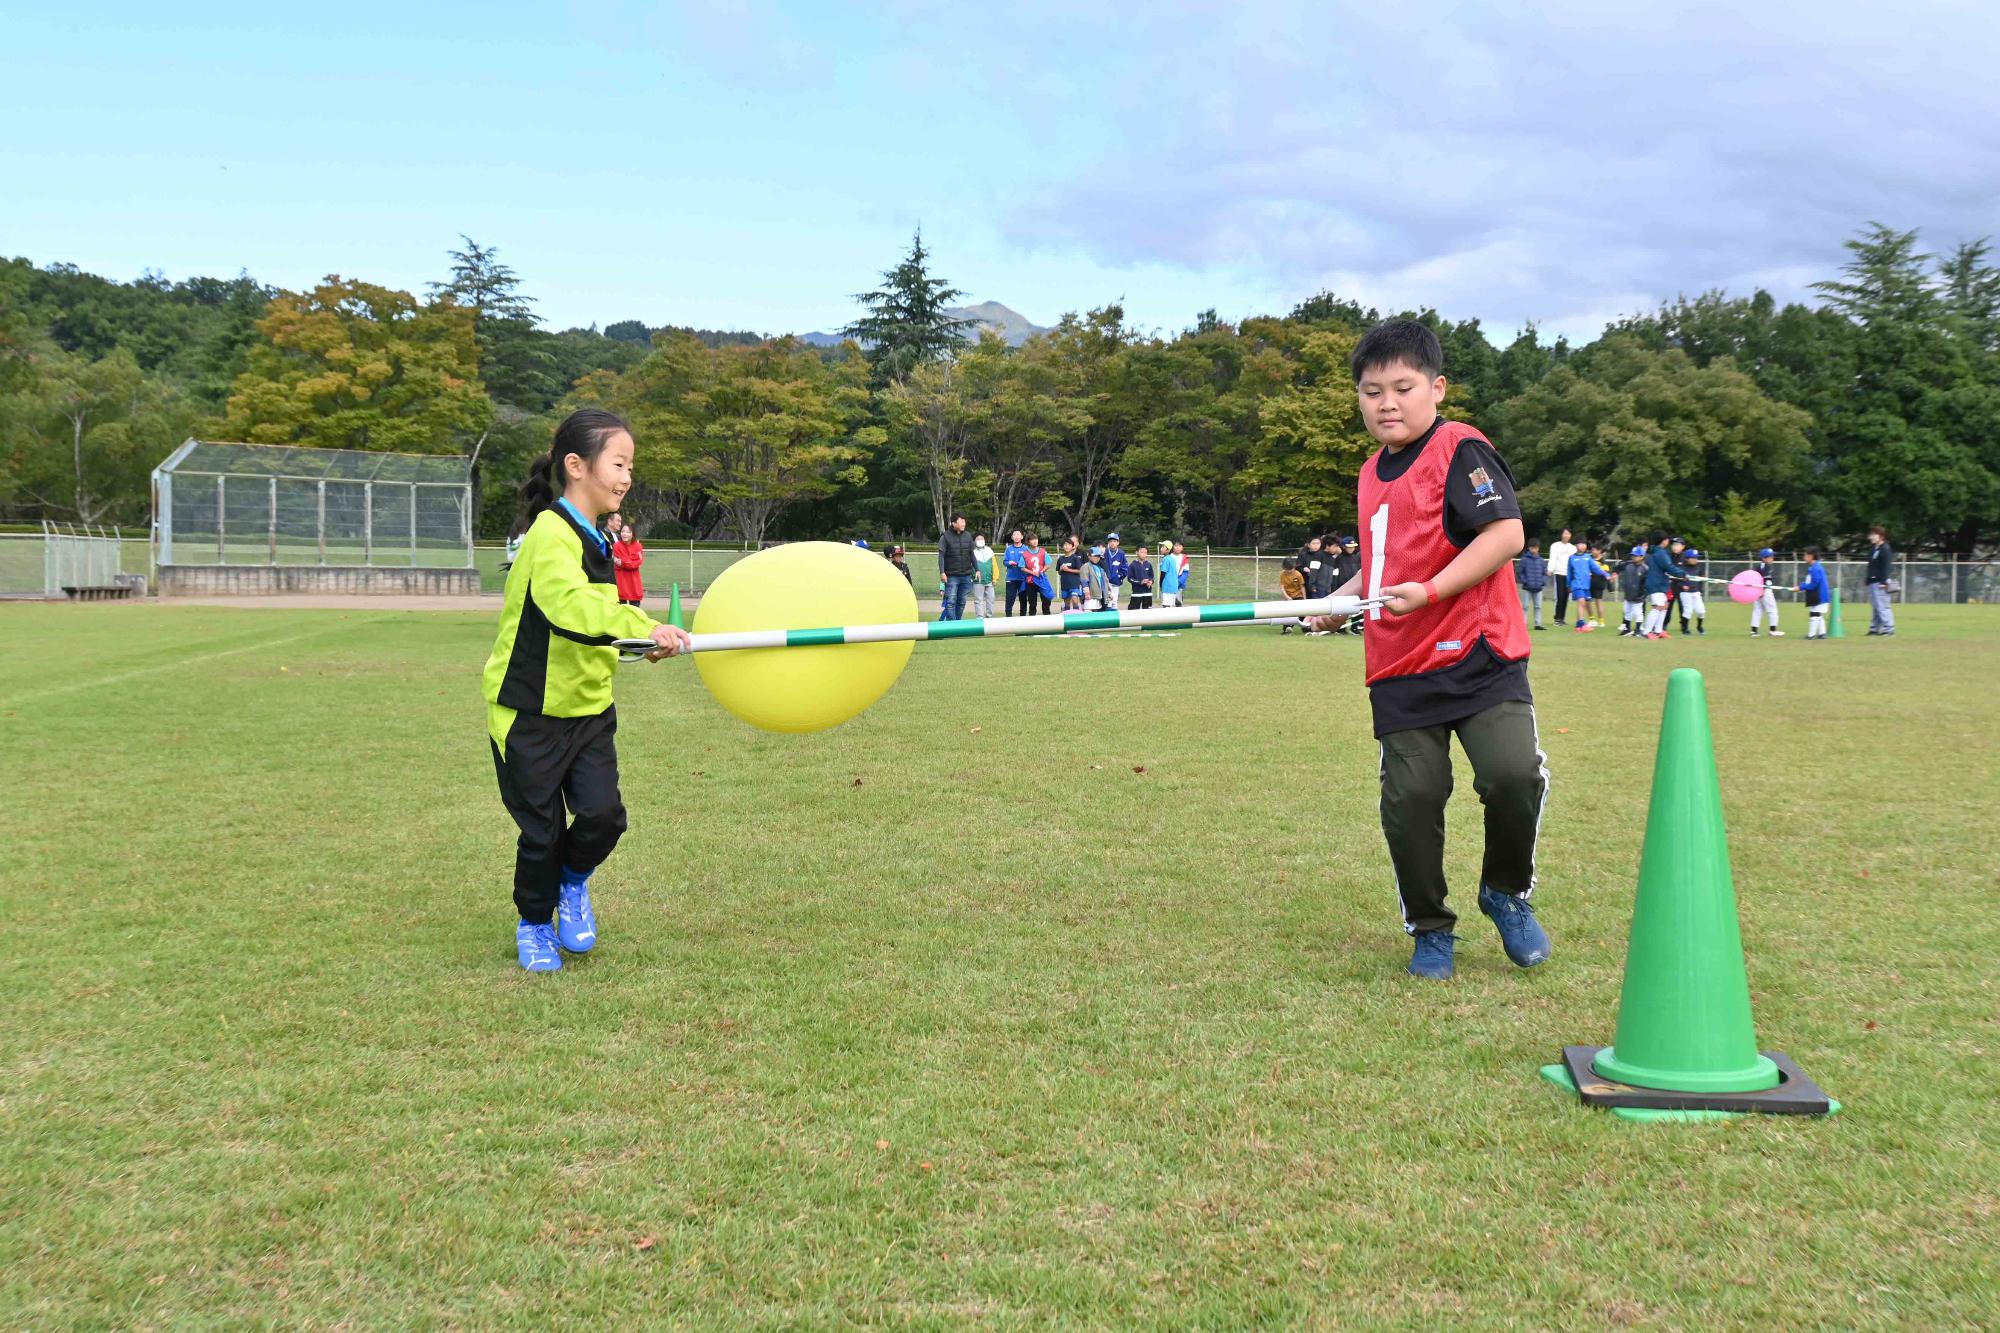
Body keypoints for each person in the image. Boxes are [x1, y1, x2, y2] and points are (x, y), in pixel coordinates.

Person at [1306, 319, 1549, 982]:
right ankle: (1430, 926)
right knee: (1413, 796)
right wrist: (1341, 603)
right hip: (1400, 666)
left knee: (1512, 774)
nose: (1386, 402)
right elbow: (1382, 569)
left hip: (1479, 652)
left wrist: (1435, 589)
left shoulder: (1459, 448)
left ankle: (1505, 891)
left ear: (1436, 388)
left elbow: (1505, 534)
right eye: (1371, 390)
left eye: (1403, 387)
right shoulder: (1367, 475)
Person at [482, 408, 691, 974]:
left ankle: (573, 884)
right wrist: (641, 628)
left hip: (590, 709)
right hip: (530, 714)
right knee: (542, 833)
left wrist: (643, 637)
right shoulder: (550, 533)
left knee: (603, 818)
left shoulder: (595, 534)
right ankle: (533, 922)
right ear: (576, 466)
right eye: (618, 464)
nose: (627, 477)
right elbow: (566, 609)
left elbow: (602, 612)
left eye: (631, 466)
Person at [1641, 533, 1680, 639]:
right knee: (1658, 606)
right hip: (1656, 583)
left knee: (1664, 606)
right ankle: (1646, 632)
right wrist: (1682, 574)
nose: (1668, 542)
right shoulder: (1660, 553)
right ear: (1663, 541)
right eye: (1667, 540)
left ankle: (1658, 631)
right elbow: (1669, 566)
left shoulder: (1658, 552)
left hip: (1661, 582)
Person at [937, 515, 976, 621]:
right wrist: (942, 572)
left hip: (966, 575)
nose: (963, 524)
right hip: (951, 575)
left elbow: (972, 554)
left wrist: (977, 569)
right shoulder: (945, 537)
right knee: (951, 600)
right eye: (961, 521)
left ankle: (957, 622)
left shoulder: (968, 536)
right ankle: (951, 623)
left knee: (962, 601)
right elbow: (941, 556)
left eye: (964, 521)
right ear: (954, 523)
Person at [1566, 539, 1606, 632]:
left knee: (1583, 604)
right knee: (1582, 602)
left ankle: (1578, 626)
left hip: (1586, 586)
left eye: (1584, 544)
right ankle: (1581, 625)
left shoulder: (1588, 557)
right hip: (1577, 584)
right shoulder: (1572, 558)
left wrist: (1606, 575)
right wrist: (1568, 585)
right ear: (1576, 545)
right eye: (1581, 543)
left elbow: (1596, 568)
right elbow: (1569, 573)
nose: (1583, 546)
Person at [1866, 526, 1896, 636]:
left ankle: (1889, 629)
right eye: (1871, 534)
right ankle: (1874, 629)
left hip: (1881, 582)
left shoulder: (1885, 549)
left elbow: (1886, 567)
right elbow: (1871, 565)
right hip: (1873, 581)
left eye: (1874, 534)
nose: (1872, 537)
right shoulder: (1874, 548)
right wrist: (1868, 579)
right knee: (1875, 607)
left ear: (1881, 536)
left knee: (1883, 606)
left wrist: (1884, 582)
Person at [609, 516, 645, 607]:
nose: (625, 534)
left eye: (628, 532)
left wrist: (623, 561)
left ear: (632, 534)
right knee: (621, 612)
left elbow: (637, 564)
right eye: (623, 531)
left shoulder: (638, 546)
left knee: (635, 612)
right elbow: (618, 563)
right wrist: (632, 558)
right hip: (621, 583)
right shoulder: (616, 546)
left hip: (634, 583)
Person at [1749, 546, 1784, 637]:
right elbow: (1766, 580)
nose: (1772, 558)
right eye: (1770, 556)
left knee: (1757, 610)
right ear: (1764, 558)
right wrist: (1763, 591)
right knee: (1772, 610)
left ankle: (1754, 631)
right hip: (1765, 591)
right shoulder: (1767, 566)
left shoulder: (1757, 567)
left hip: (1757, 591)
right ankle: (1773, 630)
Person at [1515, 537, 1548, 630]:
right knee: (1525, 606)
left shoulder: (1541, 560)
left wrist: (1542, 582)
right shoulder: (1524, 560)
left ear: (1538, 548)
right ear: (1529, 548)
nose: (1534, 549)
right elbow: (1519, 572)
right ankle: (1523, 624)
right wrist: (1525, 581)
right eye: (1532, 547)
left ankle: (1538, 624)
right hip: (1527, 588)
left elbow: (1544, 573)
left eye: (1536, 548)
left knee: (1538, 606)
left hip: (1538, 588)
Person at [1798, 549, 1832, 639]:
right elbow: (1810, 582)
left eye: (1805, 555)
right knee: (1818, 614)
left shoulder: (1816, 568)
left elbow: (1814, 584)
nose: (1804, 557)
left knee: (1814, 614)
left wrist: (1801, 587)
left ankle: (1811, 635)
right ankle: (1822, 634)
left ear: (1811, 556)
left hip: (1820, 596)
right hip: (1817, 595)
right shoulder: (1814, 567)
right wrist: (1801, 586)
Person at [1547, 527, 1577, 626]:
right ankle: (1557, 618)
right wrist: (1550, 569)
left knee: (1566, 596)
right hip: (1559, 573)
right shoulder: (1555, 546)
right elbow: (1553, 558)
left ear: (1570, 535)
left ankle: (1562, 618)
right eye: (1564, 533)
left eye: (1568, 534)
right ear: (1561, 535)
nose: (1566, 535)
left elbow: (1574, 562)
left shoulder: (1573, 548)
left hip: (1568, 574)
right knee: (1560, 596)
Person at [1618, 545, 1648, 637]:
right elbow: (1618, 567)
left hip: (1638, 596)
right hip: (1628, 594)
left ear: (1642, 557)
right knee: (1626, 611)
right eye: (1633, 555)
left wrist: (1642, 595)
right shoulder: (1628, 565)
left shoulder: (1645, 568)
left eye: (1636, 556)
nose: (1633, 557)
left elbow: (1646, 584)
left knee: (1637, 612)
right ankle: (1626, 629)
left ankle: (1638, 629)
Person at [1678, 547, 1708, 635]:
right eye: (1693, 558)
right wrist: (1682, 585)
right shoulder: (1681, 568)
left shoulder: (1698, 568)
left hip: (1696, 592)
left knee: (1701, 611)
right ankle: (1685, 629)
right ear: (1687, 559)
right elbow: (1676, 580)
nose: (1696, 559)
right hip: (1685, 593)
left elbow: (1701, 581)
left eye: (1696, 558)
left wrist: (1700, 591)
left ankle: (1699, 627)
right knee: (1688, 610)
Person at [1020, 535, 1049, 615]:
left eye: (1036, 539)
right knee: (1032, 602)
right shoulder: (1025, 554)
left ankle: (1047, 618)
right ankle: (1032, 620)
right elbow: (1022, 567)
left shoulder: (1043, 551)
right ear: (1028, 542)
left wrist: (1041, 571)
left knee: (1046, 599)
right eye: (1032, 540)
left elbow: (1048, 564)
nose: (1035, 541)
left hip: (1041, 579)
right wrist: (1033, 573)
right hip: (1031, 581)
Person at [970, 534, 997, 619]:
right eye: (978, 539)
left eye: (982, 539)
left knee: (991, 599)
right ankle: (980, 619)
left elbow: (994, 565)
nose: (980, 540)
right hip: (977, 580)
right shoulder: (972, 551)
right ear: (975, 541)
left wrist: (995, 577)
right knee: (978, 600)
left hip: (989, 580)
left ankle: (989, 617)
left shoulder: (989, 550)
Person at [1278, 556, 1306, 633]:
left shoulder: (1298, 575)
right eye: (1287, 570)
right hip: (1288, 597)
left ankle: (1306, 628)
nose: (1290, 571)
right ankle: (1287, 628)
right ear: (1284, 568)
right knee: (1288, 612)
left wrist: (1304, 599)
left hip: (1298, 596)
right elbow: (1282, 587)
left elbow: (1302, 587)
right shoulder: (1282, 575)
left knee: (1301, 613)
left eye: (1291, 569)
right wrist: (1287, 597)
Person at [1056, 536, 1086, 610]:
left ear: (1072, 547)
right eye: (1065, 545)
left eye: (1069, 545)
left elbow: (1080, 571)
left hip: (1074, 584)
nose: (1066, 546)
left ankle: (1076, 617)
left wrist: (1067, 569)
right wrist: (1061, 570)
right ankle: (1067, 618)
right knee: (1066, 603)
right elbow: (1059, 572)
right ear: (1062, 547)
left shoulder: (1076, 558)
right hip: (1065, 584)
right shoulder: (1060, 559)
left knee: (1075, 600)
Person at [1002, 529, 1027, 616]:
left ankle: (1022, 618)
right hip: (1011, 578)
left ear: (1022, 537)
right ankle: (1008, 618)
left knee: (1023, 599)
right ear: (1012, 537)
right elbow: (1004, 562)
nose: (1016, 536)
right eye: (1014, 535)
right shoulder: (1008, 549)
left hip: (1023, 578)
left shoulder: (1026, 549)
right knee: (1009, 599)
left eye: (1018, 534)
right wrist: (1009, 562)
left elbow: (1028, 562)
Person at [1103, 532, 1128, 609]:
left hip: (1115, 582)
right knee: (1107, 602)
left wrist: (1119, 576)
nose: (1112, 543)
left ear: (1118, 542)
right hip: (1105, 582)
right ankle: (1107, 619)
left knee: (1114, 601)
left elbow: (1125, 568)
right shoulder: (1104, 552)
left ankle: (1114, 620)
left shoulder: (1121, 553)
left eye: (1114, 541)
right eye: (1110, 541)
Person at [1127, 545, 1155, 610]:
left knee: (1147, 613)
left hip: (1148, 593)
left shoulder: (1148, 564)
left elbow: (1152, 576)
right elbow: (1130, 578)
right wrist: (1140, 582)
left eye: (1145, 552)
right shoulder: (1132, 565)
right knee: (1133, 612)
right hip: (1137, 593)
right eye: (1142, 552)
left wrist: (1151, 581)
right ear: (1137, 553)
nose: (1144, 554)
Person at [1083, 545, 1110, 610]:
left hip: (1100, 596)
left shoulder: (1101, 569)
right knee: (1089, 613)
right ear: (1089, 556)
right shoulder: (1085, 567)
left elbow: (1105, 581)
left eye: (1098, 556)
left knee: (1100, 614)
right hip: (1091, 596)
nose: (1097, 558)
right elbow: (1084, 581)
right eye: (1095, 556)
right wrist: (1087, 593)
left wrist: (1109, 592)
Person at [1158, 542, 1183, 608]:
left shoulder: (1166, 559)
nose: (1161, 549)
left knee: (1166, 606)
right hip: (1173, 586)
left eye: (1163, 547)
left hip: (1167, 586)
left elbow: (1163, 573)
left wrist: (1160, 583)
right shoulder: (1172, 559)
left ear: (1168, 550)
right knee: (1171, 606)